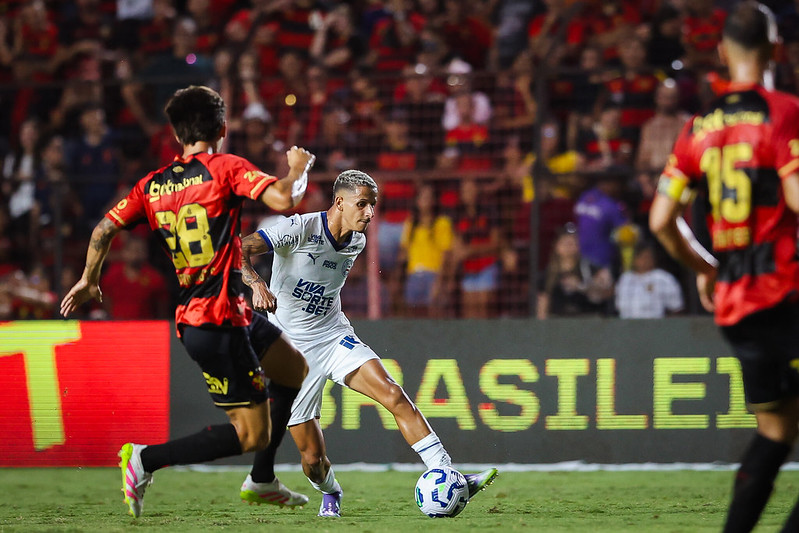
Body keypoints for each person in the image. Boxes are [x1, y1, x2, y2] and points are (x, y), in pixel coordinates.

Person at [60, 85, 315, 518]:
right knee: (251, 433)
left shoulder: (152, 185)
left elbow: (103, 229)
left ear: (177, 134)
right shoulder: (224, 167)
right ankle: (144, 459)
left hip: (219, 312)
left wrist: (89, 278)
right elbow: (285, 199)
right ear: (222, 127)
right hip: (215, 322)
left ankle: (262, 479)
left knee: (293, 368)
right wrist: (298, 168)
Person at [239, 169, 498, 517]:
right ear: (339, 202)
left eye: (373, 205)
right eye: (362, 204)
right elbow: (240, 248)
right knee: (313, 461)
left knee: (393, 393)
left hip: (333, 336)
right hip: (291, 351)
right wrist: (255, 282)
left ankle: (447, 472)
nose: (370, 213)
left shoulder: (357, 241)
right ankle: (331, 492)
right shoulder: (299, 228)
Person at [649, 4, 799, 531]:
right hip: (785, 288)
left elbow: (662, 219)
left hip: (735, 298)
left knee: (777, 430)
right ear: (778, 50)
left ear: (720, 53)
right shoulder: (783, 112)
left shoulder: (697, 128)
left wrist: (708, 268)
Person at [614, 242, 683, 319]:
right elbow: (618, 307)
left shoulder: (663, 278)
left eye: (647, 257)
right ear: (634, 259)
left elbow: (676, 308)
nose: (644, 261)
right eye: (641, 257)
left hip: (655, 327)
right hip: (627, 327)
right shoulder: (625, 279)